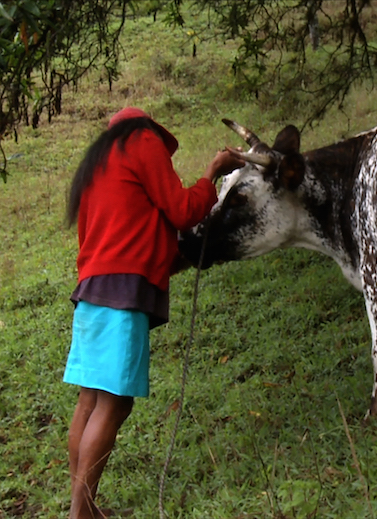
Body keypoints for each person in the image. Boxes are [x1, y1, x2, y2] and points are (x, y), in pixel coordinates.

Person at [63, 107, 244, 519]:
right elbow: (181, 210)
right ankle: (80, 513)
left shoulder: (98, 163)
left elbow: (119, 226)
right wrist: (212, 172)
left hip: (91, 288)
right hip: (124, 289)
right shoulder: (141, 142)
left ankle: (83, 509)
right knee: (114, 404)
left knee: (89, 401)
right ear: (148, 132)